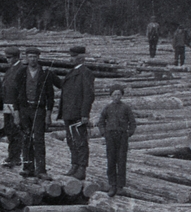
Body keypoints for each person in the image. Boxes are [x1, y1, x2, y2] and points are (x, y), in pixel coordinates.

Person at [15, 46, 58, 177]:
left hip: (39, 111)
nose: (32, 59)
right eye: (30, 57)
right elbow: (16, 95)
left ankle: (41, 170)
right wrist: (16, 113)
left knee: (39, 140)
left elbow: (50, 96)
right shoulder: (21, 73)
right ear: (26, 58)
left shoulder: (45, 74)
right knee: (26, 138)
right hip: (24, 109)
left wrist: (48, 114)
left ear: (38, 58)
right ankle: (28, 167)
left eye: (35, 57)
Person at [58, 45, 95, 180]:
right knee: (71, 140)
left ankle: (81, 168)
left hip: (78, 114)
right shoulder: (73, 72)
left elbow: (89, 95)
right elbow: (63, 86)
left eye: (73, 56)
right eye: (71, 56)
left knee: (80, 141)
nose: (71, 59)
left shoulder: (85, 73)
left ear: (81, 58)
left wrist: (85, 114)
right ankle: (74, 165)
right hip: (69, 113)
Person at [97, 84, 137, 197]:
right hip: (110, 136)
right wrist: (104, 133)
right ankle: (112, 184)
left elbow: (132, 122)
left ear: (122, 96)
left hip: (122, 137)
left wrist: (129, 133)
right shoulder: (107, 108)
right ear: (111, 96)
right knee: (111, 161)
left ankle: (120, 186)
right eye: (114, 95)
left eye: (119, 94)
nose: (116, 97)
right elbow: (101, 122)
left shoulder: (126, 108)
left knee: (121, 160)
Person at [0, 45, 24, 167]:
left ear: (16, 57)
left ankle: (16, 157)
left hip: (16, 105)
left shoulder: (21, 70)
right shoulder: (10, 70)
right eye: (6, 58)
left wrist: (18, 108)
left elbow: (20, 91)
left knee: (16, 131)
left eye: (9, 58)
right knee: (9, 130)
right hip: (7, 104)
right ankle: (11, 155)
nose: (7, 60)